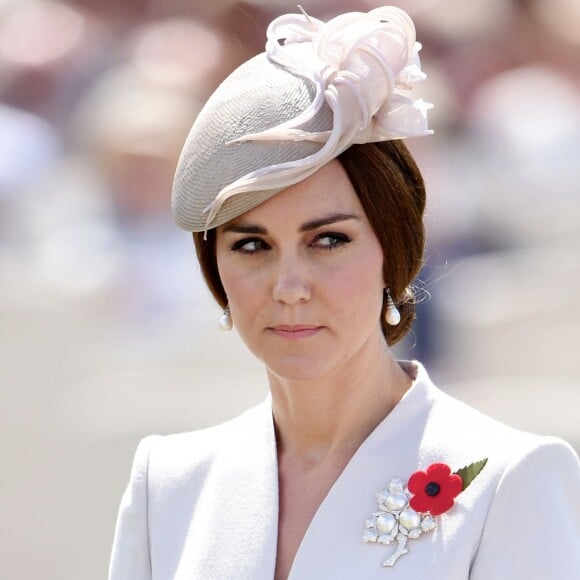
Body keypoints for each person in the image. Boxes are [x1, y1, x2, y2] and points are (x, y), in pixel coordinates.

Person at [108, 6, 580, 579]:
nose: (288, 288)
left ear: (394, 249)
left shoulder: (510, 477)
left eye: (328, 241)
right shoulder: (169, 480)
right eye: (251, 246)